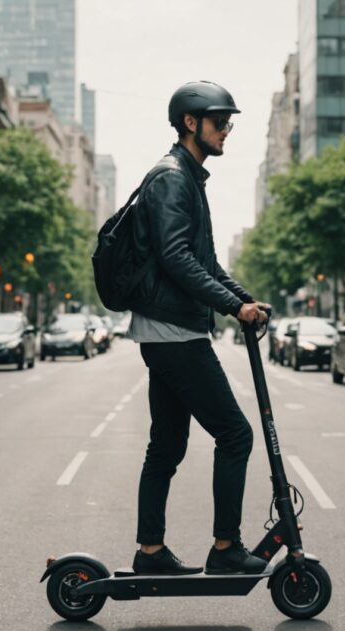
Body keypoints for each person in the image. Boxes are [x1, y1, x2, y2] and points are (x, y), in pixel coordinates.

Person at [126, 81, 271, 577]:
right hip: (174, 332)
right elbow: (176, 257)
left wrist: (244, 300)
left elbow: (204, 261)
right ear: (192, 123)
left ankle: (150, 554)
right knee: (235, 435)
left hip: (169, 329)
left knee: (167, 445)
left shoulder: (188, 178)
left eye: (229, 122)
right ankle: (226, 549)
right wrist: (233, 306)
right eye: (219, 121)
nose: (227, 130)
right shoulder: (172, 179)